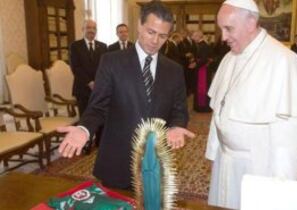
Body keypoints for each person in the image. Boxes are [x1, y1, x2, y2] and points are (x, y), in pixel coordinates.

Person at [57, 1, 195, 190]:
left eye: (163, 36)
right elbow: (97, 106)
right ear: (139, 25)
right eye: (151, 32)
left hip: (155, 161)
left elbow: (179, 109)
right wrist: (84, 129)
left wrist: (177, 126)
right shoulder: (111, 61)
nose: (155, 41)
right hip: (117, 160)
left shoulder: (174, 70)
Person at [205, 0, 297, 209]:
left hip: (259, 168)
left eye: (229, 28)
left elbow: (291, 143)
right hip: (225, 163)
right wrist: (213, 154)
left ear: (250, 22)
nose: (223, 37)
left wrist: (284, 190)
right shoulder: (229, 59)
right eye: (221, 28)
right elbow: (218, 113)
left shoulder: (284, 61)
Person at [69, 20, 107, 152]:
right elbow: (76, 68)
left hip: (100, 88)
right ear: (83, 29)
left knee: (101, 115)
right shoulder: (75, 46)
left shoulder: (103, 46)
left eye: (94, 28)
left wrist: (99, 82)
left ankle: (100, 142)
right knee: (85, 117)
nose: (91, 30)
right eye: (88, 28)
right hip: (82, 89)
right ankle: (86, 143)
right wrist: (90, 82)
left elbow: (105, 68)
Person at [189, 30, 212, 112]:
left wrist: (195, 64)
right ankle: (198, 106)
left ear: (199, 36)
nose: (192, 38)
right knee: (198, 87)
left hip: (203, 70)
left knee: (202, 88)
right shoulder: (199, 45)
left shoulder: (204, 45)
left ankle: (202, 107)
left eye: (194, 36)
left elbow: (204, 58)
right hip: (200, 68)